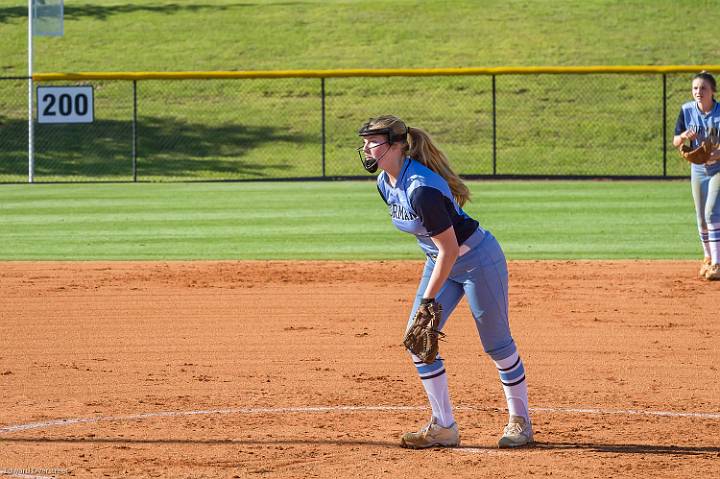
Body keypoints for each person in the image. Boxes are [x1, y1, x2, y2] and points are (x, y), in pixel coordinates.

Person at [357, 115, 533, 449]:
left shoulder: (420, 189)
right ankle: (443, 426)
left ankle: (520, 421)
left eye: (373, 141)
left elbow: (449, 249)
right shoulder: (385, 183)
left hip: (477, 260)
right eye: (364, 141)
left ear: (395, 146)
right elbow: (435, 247)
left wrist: (428, 300)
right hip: (440, 261)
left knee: (497, 345)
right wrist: (428, 301)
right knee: (418, 341)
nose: (366, 147)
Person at [673, 71, 720, 280]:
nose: (698, 92)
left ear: (713, 91)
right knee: (701, 217)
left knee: (711, 213)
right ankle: (708, 258)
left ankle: (718, 264)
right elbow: (676, 141)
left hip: (718, 168)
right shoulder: (686, 110)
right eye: (695, 88)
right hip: (698, 169)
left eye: (703, 88)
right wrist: (684, 137)